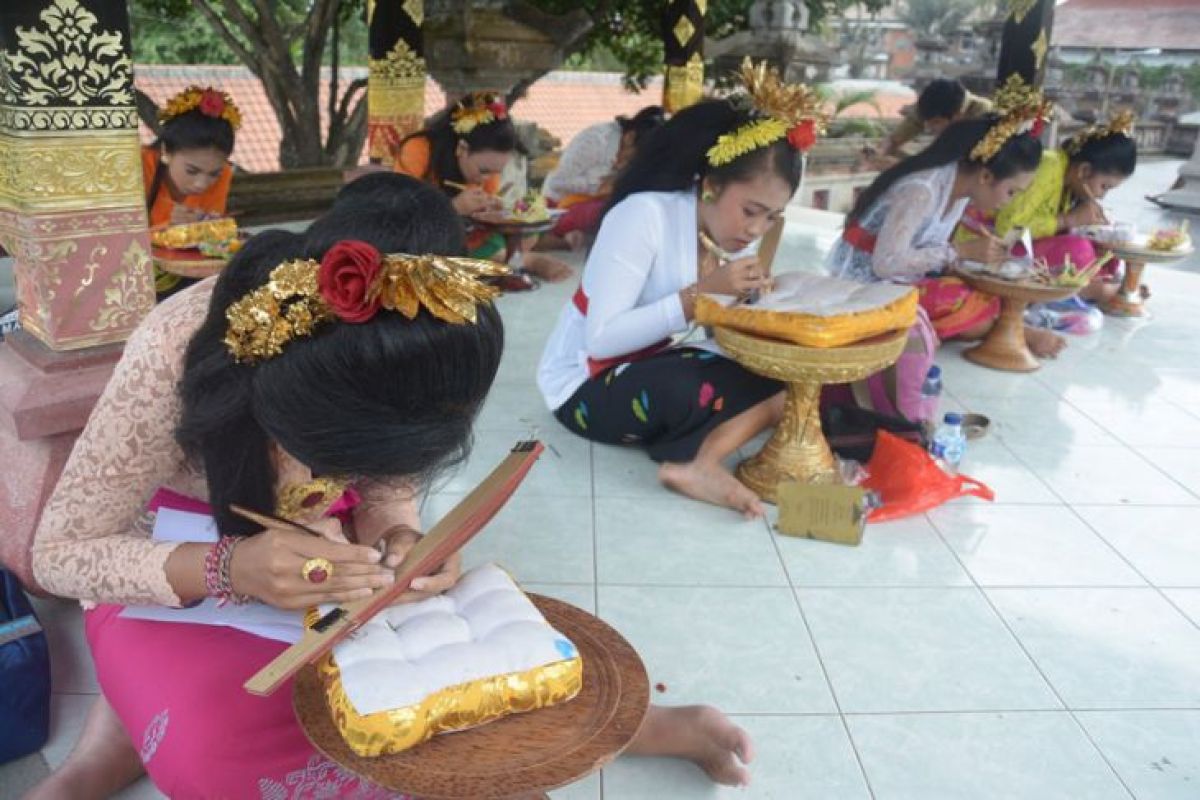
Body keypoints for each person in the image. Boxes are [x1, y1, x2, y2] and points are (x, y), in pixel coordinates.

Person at [28, 189, 753, 798]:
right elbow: (61, 554)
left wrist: (398, 533)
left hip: (326, 557)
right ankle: (117, 736)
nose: (342, 474)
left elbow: (387, 482)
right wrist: (229, 569)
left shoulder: (434, 340)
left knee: (460, 690)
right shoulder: (176, 350)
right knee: (216, 756)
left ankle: (625, 725)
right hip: (171, 551)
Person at [538, 61, 826, 518]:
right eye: (750, 210)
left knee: (788, 378)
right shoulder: (642, 216)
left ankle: (696, 456)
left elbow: (704, 336)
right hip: (583, 385)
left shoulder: (713, 234)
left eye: (771, 217)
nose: (755, 229)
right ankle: (694, 462)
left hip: (646, 365)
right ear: (711, 186)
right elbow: (602, 339)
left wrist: (752, 304)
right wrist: (699, 297)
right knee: (691, 387)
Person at [827, 77, 1065, 358]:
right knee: (961, 300)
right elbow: (886, 264)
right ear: (986, 176)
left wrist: (967, 258)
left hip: (900, 279)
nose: (1009, 201)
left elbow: (927, 252)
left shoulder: (959, 189)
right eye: (1011, 191)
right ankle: (1018, 332)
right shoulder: (922, 190)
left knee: (982, 294)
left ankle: (1006, 329)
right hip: (862, 285)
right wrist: (959, 252)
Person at [395, 91, 572, 283]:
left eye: (496, 172)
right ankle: (520, 261)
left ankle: (509, 259)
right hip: (418, 237)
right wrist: (453, 207)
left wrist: (490, 209)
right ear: (462, 149)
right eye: (484, 170)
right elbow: (401, 215)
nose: (487, 178)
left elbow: (482, 216)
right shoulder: (417, 151)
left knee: (526, 231)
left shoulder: (487, 166)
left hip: (469, 237)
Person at [992, 110, 1139, 305]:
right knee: (1078, 248)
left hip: (1028, 251)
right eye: (1104, 186)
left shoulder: (1071, 187)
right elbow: (1008, 229)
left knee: (1105, 253)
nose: (1102, 196)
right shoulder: (1050, 165)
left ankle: (1096, 287)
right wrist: (1068, 220)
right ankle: (1096, 289)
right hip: (994, 248)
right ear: (1084, 170)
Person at [143, 85, 240, 298]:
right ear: (166, 152)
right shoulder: (139, 168)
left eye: (213, 174)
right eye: (191, 171)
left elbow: (208, 246)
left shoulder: (223, 175)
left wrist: (210, 229)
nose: (201, 184)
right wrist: (165, 228)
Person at [540, 105, 667, 250]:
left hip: (587, 208)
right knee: (611, 209)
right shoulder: (596, 140)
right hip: (558, 206)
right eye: (634, 156)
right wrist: (598, 186)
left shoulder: (630, 152)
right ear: (630, 137)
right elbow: (558, 182)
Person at [866, 79, 993, 170]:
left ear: (957, 116)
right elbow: (894, 139)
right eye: (925, 122)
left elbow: (948, 165)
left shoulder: (985, 116)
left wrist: (899, 166)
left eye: (936, 123)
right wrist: (879, 152)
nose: (928, 128)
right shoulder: (929, 106)